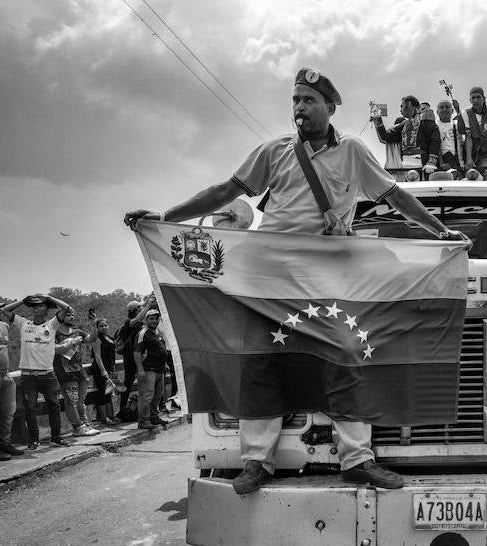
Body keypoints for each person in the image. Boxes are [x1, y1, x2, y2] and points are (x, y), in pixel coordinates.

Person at [124, 67, 468, 495]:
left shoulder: (354, 152)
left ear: (330, 107)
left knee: (347, 352)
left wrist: (439, 232)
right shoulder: (275, 151)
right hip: (269, 276)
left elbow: (394, 196)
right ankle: (257, 461)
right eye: (295, 101)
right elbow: (224, 192)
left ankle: (357, 459)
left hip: (329, 276)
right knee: (259, 361)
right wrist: (168, 218)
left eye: (309, 100)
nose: (300, 108)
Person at [0, 294, 74, 448]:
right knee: (30, 408)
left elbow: (66, 308)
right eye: (34, 306)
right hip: (28, 375)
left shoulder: (51, 325)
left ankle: (56, 436)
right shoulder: (23, 323)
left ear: (47, 311)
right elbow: (5, 310)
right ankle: (34, 439)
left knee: (54, 406)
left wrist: (48, 297)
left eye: (40, 306)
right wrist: (22, 300)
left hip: (48, 374)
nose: (36, 308)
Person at [54, 308, 99, 437]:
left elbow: (92, 339)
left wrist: (93, 323)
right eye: (68, 315)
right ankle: (77, 427)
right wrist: (72, 343)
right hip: (65, 373)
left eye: (73, 315)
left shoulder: (77, 332)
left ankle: (85, 424)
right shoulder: (55, 334)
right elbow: (55, 350)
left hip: (80, 372)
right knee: (71, 402)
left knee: (81, 401)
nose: (71, 317)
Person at [373, 94, 439, 179]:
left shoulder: (425, 119)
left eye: (402, 106)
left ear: (410, 105)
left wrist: (431, 162)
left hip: (423, 165)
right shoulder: (404, 125)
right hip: (405, 167)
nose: (400, 110)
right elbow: (385, 137)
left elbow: (435, 139)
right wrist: (377, 118)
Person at [0, 301, 24, 460]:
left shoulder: (4, 326)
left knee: (9, 411)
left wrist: (23, 300)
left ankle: (5, 443)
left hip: (6, 373)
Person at [133, 309, 170, 431]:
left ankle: (154, 417)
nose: (154, 321)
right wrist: (140, 370)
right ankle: (144, 420)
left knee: (158, 395)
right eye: (151, 318)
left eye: (156, 318)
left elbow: (160, 350)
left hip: (159, 369)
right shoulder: (143, 333)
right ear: (146, 320)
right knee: (147, 395)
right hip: (148, 369)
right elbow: (137, 352)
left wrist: (164, 364)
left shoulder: (157, 333)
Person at [118, 297, 154, 412]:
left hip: (141, 356)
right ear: (134, 310)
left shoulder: (140, 322)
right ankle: (123, 408)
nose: (142, 308)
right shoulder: (128, 322)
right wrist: (148, 306)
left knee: (145, 382)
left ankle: (146, 407)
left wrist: (152, 295)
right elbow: (137, 319)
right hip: (130, 357)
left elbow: (143, 308)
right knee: (128, 382)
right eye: (140, 308)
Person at [87, 318, 120, 425]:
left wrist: (112, 369)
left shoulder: (109, 338)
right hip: (100, 369)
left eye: (105, 325)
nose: (104, 327)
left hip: (109, 368)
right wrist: (103, 370)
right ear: (97, 328)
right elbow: (97, 355)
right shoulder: (97, 338)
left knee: (109, 392)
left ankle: (111, 415)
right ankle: (104, 418)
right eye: (101, 326)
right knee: (101, 393)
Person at [462, 86, 487, 178]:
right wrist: (469, 159)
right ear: (470, 100)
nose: (476, 100)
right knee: (470, 175)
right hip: (471, 152)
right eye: (473, 98)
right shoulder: (466, 113)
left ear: (484, 98)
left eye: (478, 97)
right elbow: (468, 137)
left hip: (486, 154)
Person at [435, 99, 462, 174]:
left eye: (447, 107)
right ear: (437, 112)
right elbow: (436, 144)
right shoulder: (435, 125)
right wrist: (441, 163)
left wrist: (458, 110)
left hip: (456, 159)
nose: (444, 109)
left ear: (452, 110)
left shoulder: (456, 124)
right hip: (442, 160)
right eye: (441, 107)